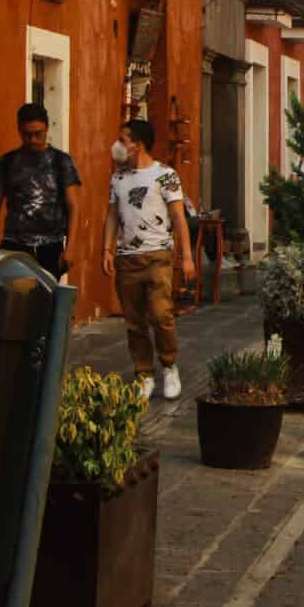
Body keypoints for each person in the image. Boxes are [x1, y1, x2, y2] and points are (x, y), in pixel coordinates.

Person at [102, 119, 196, 400]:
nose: (118, 146)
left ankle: (169, 366)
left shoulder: (165, 175)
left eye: (123, 140)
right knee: (134, 321)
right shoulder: (118, 178)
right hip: (127, 258)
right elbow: (111, 215)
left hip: (158, 257)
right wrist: (106, 249)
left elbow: (179, 216)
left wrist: (187, 257)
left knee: (160, 314)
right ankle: (143, 373)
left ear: (138, 144)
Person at [0, 103, 81, 279]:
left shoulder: (61, 162)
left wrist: (70, 248)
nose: (32, 139)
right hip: (14, 245)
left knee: (45, 302)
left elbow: (73, 206)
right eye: (26, 134)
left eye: (38, 134)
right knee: (11, 300)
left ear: (47, 129)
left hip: (50, 246)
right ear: (19, 130)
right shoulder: (7, 162)